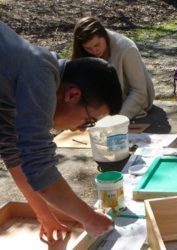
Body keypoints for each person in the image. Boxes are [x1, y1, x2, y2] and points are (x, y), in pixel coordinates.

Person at [0, 21, 123, 243]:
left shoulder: (26, 80)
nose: (80, 128)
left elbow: (14, 154)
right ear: (72, 95)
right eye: (88, 120)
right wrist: (89, 218)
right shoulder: (40, 74)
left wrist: (44, 215)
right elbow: (38, 163)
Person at [71, 16, 155, 120]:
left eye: (97, 45)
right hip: (105, 107)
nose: (94, 51)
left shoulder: (126, 49)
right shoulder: (84, 52)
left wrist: (117, 119)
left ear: (104, 35)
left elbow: (139, 92)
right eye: (88, 48)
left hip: (130, 103)